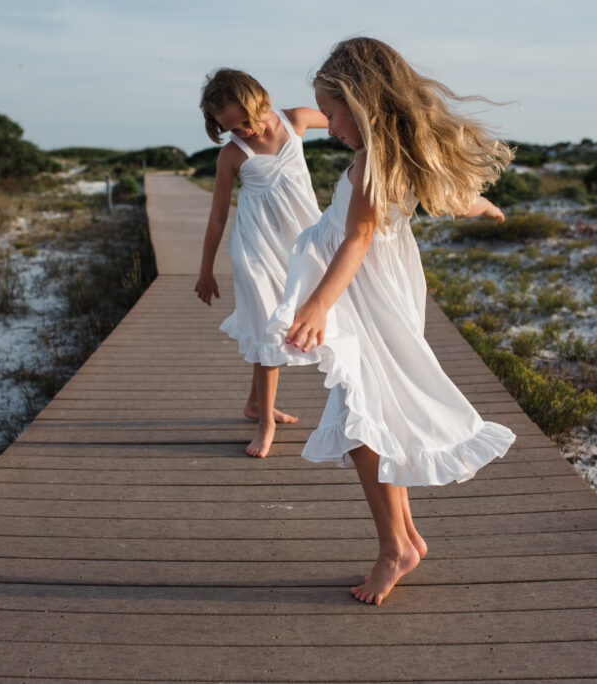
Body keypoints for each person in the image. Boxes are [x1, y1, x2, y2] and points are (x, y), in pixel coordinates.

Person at [267, 38, 517, 604]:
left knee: (363, 425)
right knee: (371, 418)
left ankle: (393, 549)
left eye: (332, 114)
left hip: (364, 298)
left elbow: (356, 237)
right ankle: (402, 537)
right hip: (376, 291)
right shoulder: (393, 155)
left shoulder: (370, 163)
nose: (329, 128)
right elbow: (444, 196)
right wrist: (477, 204)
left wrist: (317, 305)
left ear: (363, 103)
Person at [195, 69, 328, 458]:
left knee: (277, 324)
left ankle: (255, 403)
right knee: (270, 330)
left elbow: (348, 121)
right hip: (254, 248)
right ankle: (265, 421)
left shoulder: (297, 119)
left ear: (260, 101)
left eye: (246, 122)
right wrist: (205, 270)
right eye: (230, 127)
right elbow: (218, 216)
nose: (243, 132)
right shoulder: (232, 154)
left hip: (300, 244)